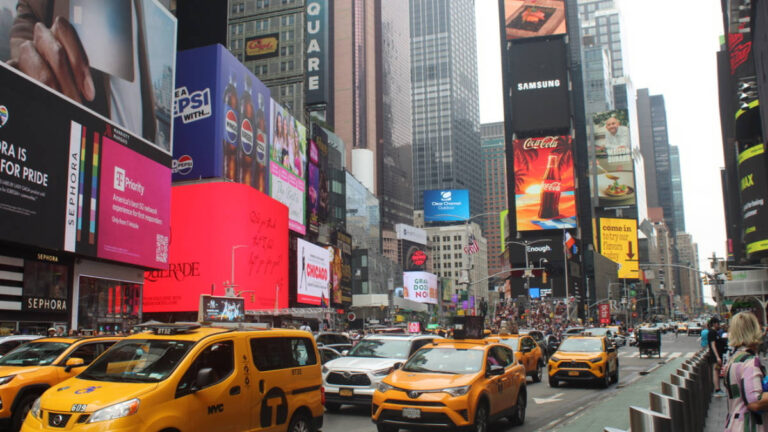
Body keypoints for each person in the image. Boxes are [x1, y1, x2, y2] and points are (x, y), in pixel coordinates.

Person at [7, 0, 171, 150]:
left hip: (137, 161)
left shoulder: (146, 7)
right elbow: (25, 32)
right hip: (82, 148)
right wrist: (31, 67)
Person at [722, 312, 768, 431]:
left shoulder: (734, 359)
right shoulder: (749, 362)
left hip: (734, 423)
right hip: (749, 426)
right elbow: (754, 401)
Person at [709, 317, 726, 397]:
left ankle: (718, 388)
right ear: (714, 323)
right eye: (717, 323)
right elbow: (713, 345)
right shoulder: (712, 332)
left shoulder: (715, 332)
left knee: (718, 371)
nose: (718, 325)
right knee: (716, 372)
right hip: (715, 356)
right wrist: (717, 356)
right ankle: (717, 389)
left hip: (718, 355)